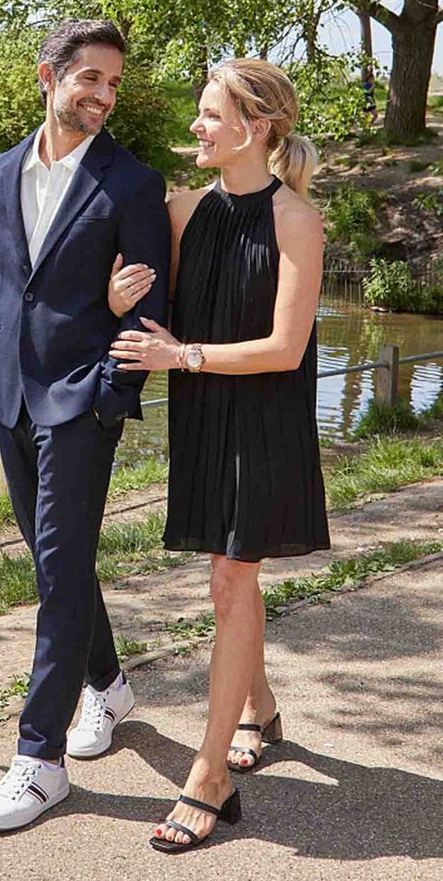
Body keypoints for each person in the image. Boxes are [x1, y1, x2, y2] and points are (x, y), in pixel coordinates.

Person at [0, 19, 170, 832]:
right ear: (47, 77)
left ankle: (40, 760)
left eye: (113, 83)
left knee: (58, 570)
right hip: (9, 397)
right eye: (91, 79)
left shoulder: (134, 184)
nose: (104, 95)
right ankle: (109, 685)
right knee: (60, 562)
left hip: (81, 404)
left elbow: (147, 312)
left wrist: (108, 393)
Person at [107, 58, 329, 853]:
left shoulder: (297, 221)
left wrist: (184, 357)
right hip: (202, 418)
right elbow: (147, 309)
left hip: (266, 421)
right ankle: (259, 708)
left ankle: (209, 776)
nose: (196, 126)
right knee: (229, 578)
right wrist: (118, 299)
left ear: (256, 126)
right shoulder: (179, 210)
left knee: (232, 579)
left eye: (209, 114)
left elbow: (284, 348)